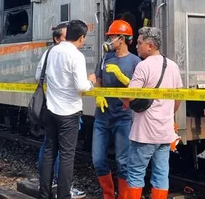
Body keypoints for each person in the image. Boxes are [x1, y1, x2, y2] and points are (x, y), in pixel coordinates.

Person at [38, 20, 96, 199]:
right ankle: (63, 195)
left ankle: (44, 194)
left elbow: (38, 76)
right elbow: (81, 86)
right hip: (68, 113)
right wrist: (91, 82)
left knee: (49, 151)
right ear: (81, 37)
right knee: (66, 156)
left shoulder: (51, 51)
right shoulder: (76, 55)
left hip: (50, 110)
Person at [125, 27, 183, 199]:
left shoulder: (143, 66)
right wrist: (167, 115)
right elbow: (178, 97)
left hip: (144, 133)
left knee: (135, 174)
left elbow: (129, 95)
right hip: (165, 133)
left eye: (139, 42)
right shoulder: (172, 66)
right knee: (161, 175)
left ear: (150, 46)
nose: (136, 46)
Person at [92, 20, 141, 199]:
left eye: (113, 36)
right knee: (97, 159)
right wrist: (99, 93)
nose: (110, 39)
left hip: (123, 118)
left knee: (123, 162)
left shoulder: (135, 61)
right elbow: (98, 79)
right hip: (102, 117)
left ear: (122, 39)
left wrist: (122, 77)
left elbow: (138, 90)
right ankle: (108, 195)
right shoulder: (105, 58)